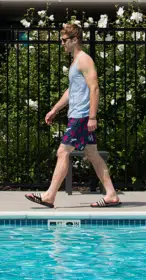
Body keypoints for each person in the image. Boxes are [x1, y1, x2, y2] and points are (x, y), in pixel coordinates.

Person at [25, 23, 121, 208]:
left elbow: (94, 87)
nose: (62, 43)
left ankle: (49, 196)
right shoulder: (76, 62)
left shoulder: (84, 60)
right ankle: (111, 194)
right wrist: (55, 109)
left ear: (74, 40)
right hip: (78, 115)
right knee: (92, 153)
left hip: (82, 117)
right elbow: (72, 91)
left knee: (63, 152)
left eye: (64, 40)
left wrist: (92, 117)